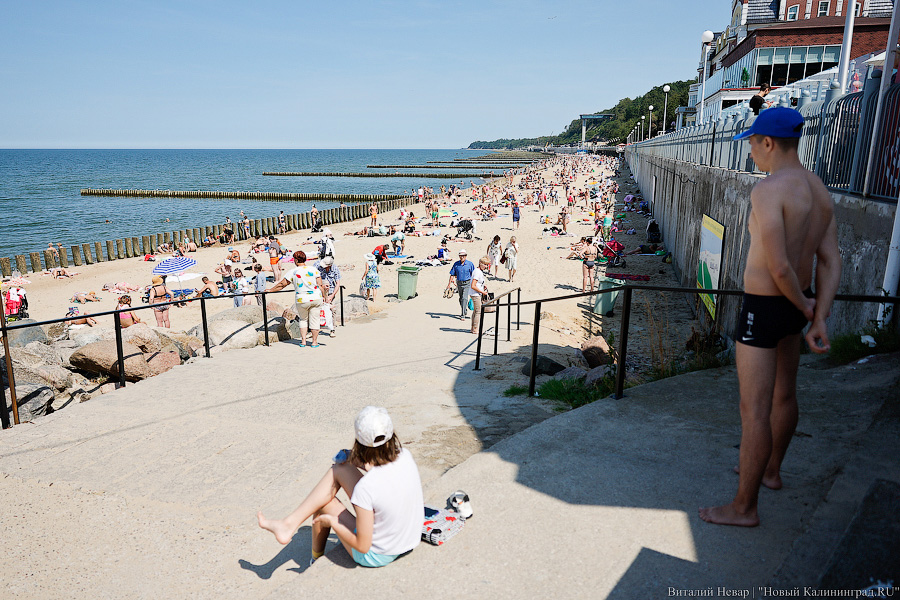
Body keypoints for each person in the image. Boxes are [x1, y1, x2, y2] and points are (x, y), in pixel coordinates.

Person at [699, 107, 841, 527]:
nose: (749, 152)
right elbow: (830, 260)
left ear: (768, 142)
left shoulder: (768, 190)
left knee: (754, 410)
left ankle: (743, 508)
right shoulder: (818, 190)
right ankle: (772, 471)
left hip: (764, 307)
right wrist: (817, 314)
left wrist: (805, 306)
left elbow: (778, 267)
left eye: (751, 143)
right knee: (785, 395)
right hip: (799, 306)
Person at [257, 406, 423, 568]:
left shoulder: (366, 488)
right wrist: (354, 459)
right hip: (408, 539)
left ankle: (313, 558)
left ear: (358, 443)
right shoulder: (405, 455)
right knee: (340, 469)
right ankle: (288, 524)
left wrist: (334, 522)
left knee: (322, 503)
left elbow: (363, 546)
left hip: (377, 554)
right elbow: (382, 476)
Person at [267, 250, 325, 347]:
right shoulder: (313, 269)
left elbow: (282, 284)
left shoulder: (293, 272)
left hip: (302, 299)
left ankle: (303, 341)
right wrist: (324, 296)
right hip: (316, 297)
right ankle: (314, 342)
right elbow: (320, 285)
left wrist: (271, 290)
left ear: (296, 260)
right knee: (315, 320)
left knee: (303, 320)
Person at [447, 249, 475, 320]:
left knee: (464, 298)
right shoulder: (456, 264)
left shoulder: (470, 264)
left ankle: (463, 315)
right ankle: (464, 309)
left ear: (466, 256)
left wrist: (474, 284)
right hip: (459, 283)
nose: (462, 257)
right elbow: (452, 274)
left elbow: (473, 275)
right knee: (461, 299)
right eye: (461, 256)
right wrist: (449, 284)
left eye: (463, 255)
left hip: (467, 283)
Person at [317, 256, 341, 337]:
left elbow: (338, 283)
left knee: (332, 310)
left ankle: (332, 329)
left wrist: (332, 295)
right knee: (317, 309)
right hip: (320, 291)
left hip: (331, 292)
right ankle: (315, 329)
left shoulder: (335, 268)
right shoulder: (318, 266)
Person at [469, 256, 491, 334]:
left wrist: (483, 285)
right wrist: (482, 292)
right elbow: (473, 285)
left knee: (475, 311)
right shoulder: (477, 272)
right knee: (478, 311)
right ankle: (475, 328)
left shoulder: (478, 271)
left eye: (487, 265)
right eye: (485, 264)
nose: (486, 266)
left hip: (475, 293)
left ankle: (473, 328)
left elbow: (477, 283)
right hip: (475, 294)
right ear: (480, 263)